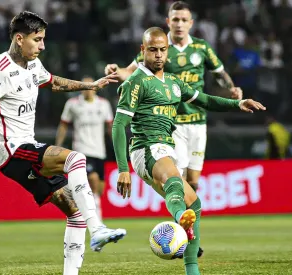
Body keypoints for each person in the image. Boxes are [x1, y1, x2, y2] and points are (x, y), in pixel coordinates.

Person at [0, 11, 125, 275]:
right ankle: (99, 229)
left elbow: (53, 82)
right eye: (37, 40)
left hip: (27, 148)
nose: (43, 46)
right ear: (19, 38)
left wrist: (89, 87)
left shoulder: (33, 65)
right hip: (11, 151)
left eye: (44, 39)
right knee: (76, 159)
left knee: (74, 212)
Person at [112, 27, 265, 275]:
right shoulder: (136, 82)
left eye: (162, 50)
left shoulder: (173, 83)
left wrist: (237, 103)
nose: (158, 55)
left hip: (164, 147)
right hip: (145, 147)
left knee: (194, 202)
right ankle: (180, 216)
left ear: (168, 51)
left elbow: (205, 100)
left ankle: (192, 269)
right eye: (152, 50)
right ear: (143, 51)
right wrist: (122, 169)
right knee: (174, 180)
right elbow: (119, 125)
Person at [105, 1, 242, 193]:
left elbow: (220, 73)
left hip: (198, 121)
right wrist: (117, 71)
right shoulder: (158, 46)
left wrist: (232, 88)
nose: (179, 24)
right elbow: (130, 71)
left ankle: (186, 220)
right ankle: (180, 218)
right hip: (172, 123)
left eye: (184, 20)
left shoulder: (201, 48)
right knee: (177, 179)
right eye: (175, 19)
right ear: (168, 21)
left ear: (191, 23)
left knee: (193, 182)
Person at [56, 76, 114, 220]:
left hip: (99, 151)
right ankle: (96, 218)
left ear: (95, 88)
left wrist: (117, 145)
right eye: (85, 87)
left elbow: (110, 127)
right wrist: (58, 146)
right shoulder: (73, 104)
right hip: (82, 150)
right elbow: (63, 125)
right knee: (92, 178)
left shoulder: (104, 104)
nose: (88, 90)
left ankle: (86, 210)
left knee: (99, 189)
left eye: (91, 86)